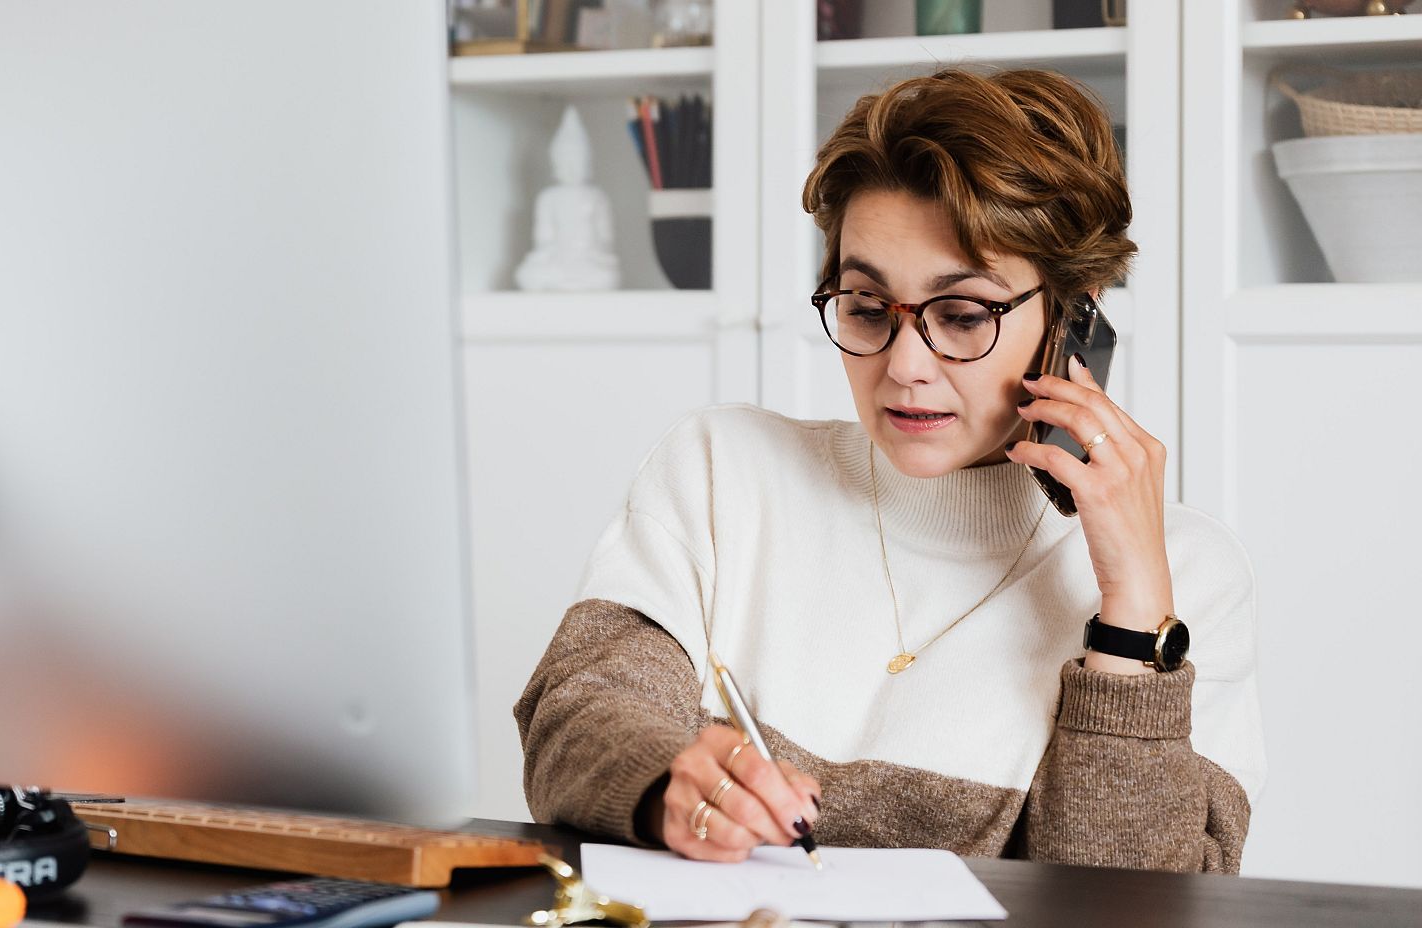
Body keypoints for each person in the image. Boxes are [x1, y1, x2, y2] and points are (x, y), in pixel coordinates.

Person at [513, 68, 1262, 874]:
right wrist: (671, 784)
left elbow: (1132, 903)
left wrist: (1130, 620)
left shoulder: (1183, 576)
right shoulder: (723, 471)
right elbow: (576, 718)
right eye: (868, 307)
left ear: (1072, 317)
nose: (905, 365)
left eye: (964, 314)